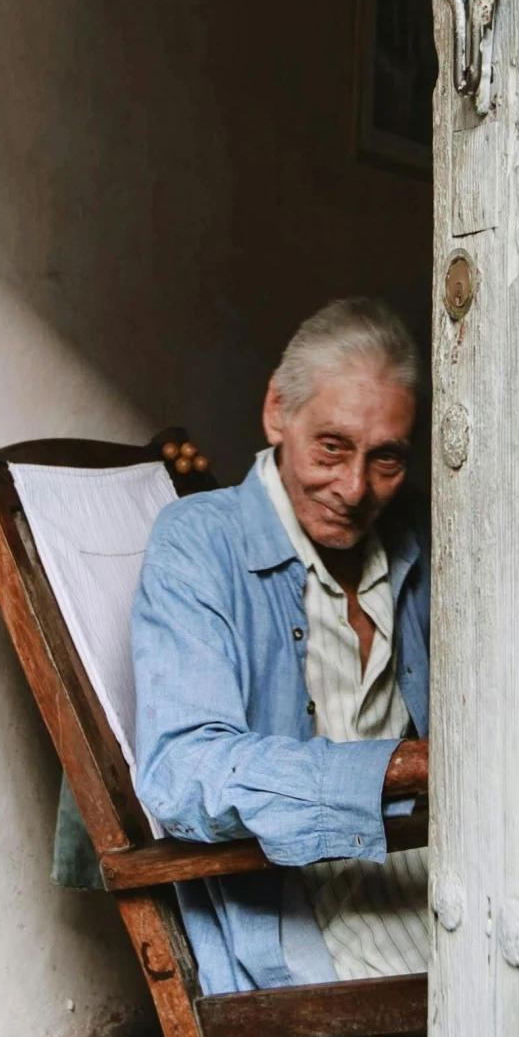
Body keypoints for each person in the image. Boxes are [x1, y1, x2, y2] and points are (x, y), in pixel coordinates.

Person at [131, 297, 430, 996]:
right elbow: (183, 772)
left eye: (384, 458)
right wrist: (406, 767)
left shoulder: (414, 529)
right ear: (276, 413)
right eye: (331, 446)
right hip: (298, 908)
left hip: (432, 869)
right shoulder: (197, 542)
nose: (354, 489)